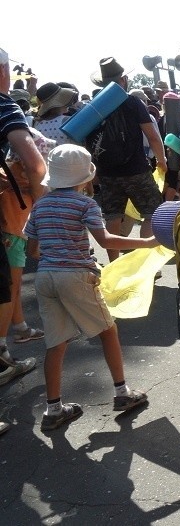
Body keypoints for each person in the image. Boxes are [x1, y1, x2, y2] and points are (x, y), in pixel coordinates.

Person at [24, 144, 160, 431]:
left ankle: (53, 409)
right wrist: (147, 243)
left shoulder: (41, 205)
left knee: (55, 343)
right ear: (84, 178)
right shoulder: (84, 204)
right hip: (74, 276)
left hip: (45, 277)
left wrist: (54, 253)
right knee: (108, 330)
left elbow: (33, 249)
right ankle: (123, 393)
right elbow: (106, 241)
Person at [86, 57, 167, 262]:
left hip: (107, 172)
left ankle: (114, 263)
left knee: (113, 215)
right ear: (123, 79)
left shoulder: (94, 105)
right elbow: (152, 136)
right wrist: (161, 159)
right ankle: (144, 262)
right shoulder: (132, 102)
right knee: (151, 213)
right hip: (136, 168)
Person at [0, 47, 46, 398]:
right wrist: (42, 215)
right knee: (8, 282)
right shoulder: (4, 106)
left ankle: (11, 338)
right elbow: (33, 161)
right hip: (9, 216)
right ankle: (3, 354)